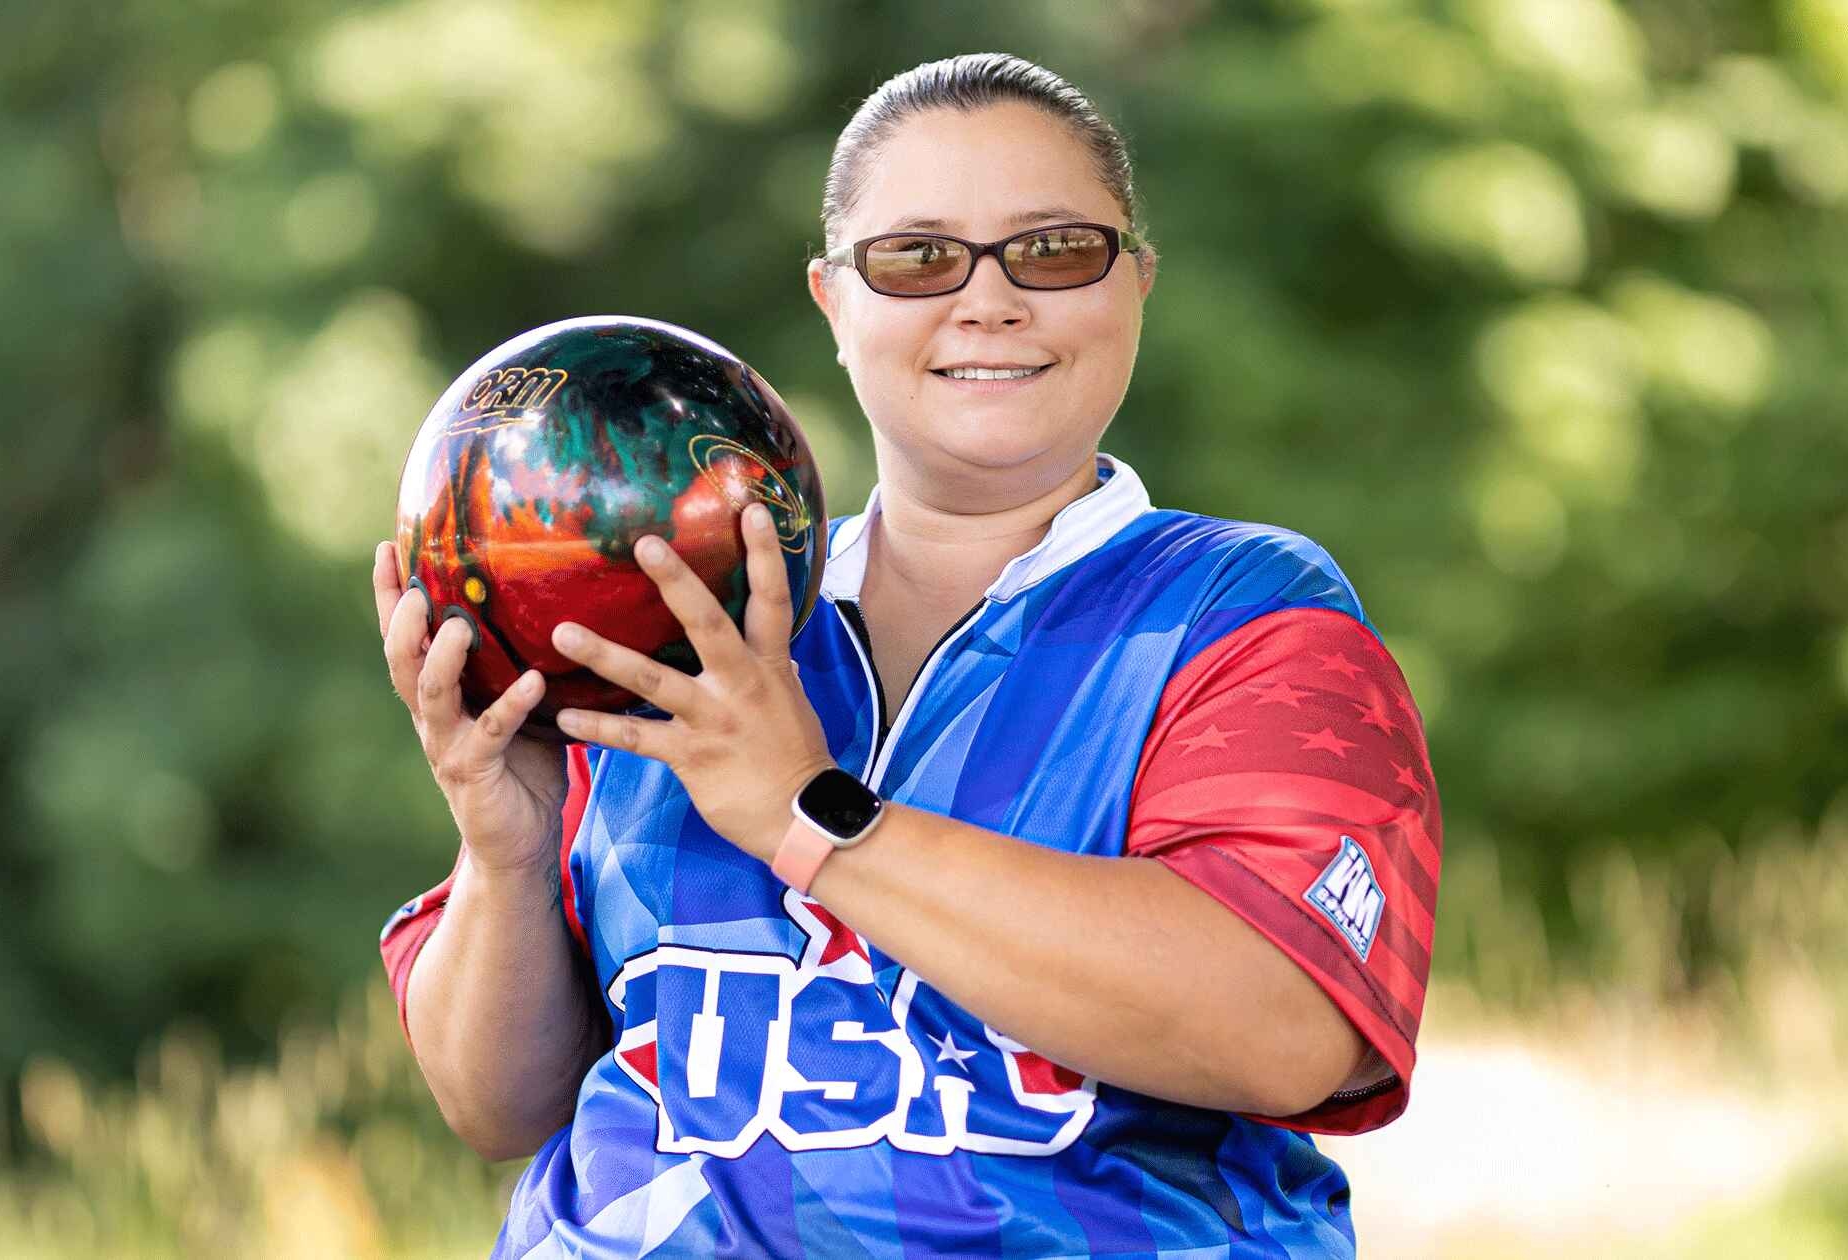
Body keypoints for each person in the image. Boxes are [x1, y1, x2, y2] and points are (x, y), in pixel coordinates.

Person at [373, 53, 1441, 1259]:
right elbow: (499, 1107)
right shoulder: (671, 613)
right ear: (835, 302)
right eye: (919, 257)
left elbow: (1279, 1030)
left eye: (1053, 250)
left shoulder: (1243, 615)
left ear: (1135, 283)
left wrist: (812, 813)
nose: (987, 302)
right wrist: (503, 850)